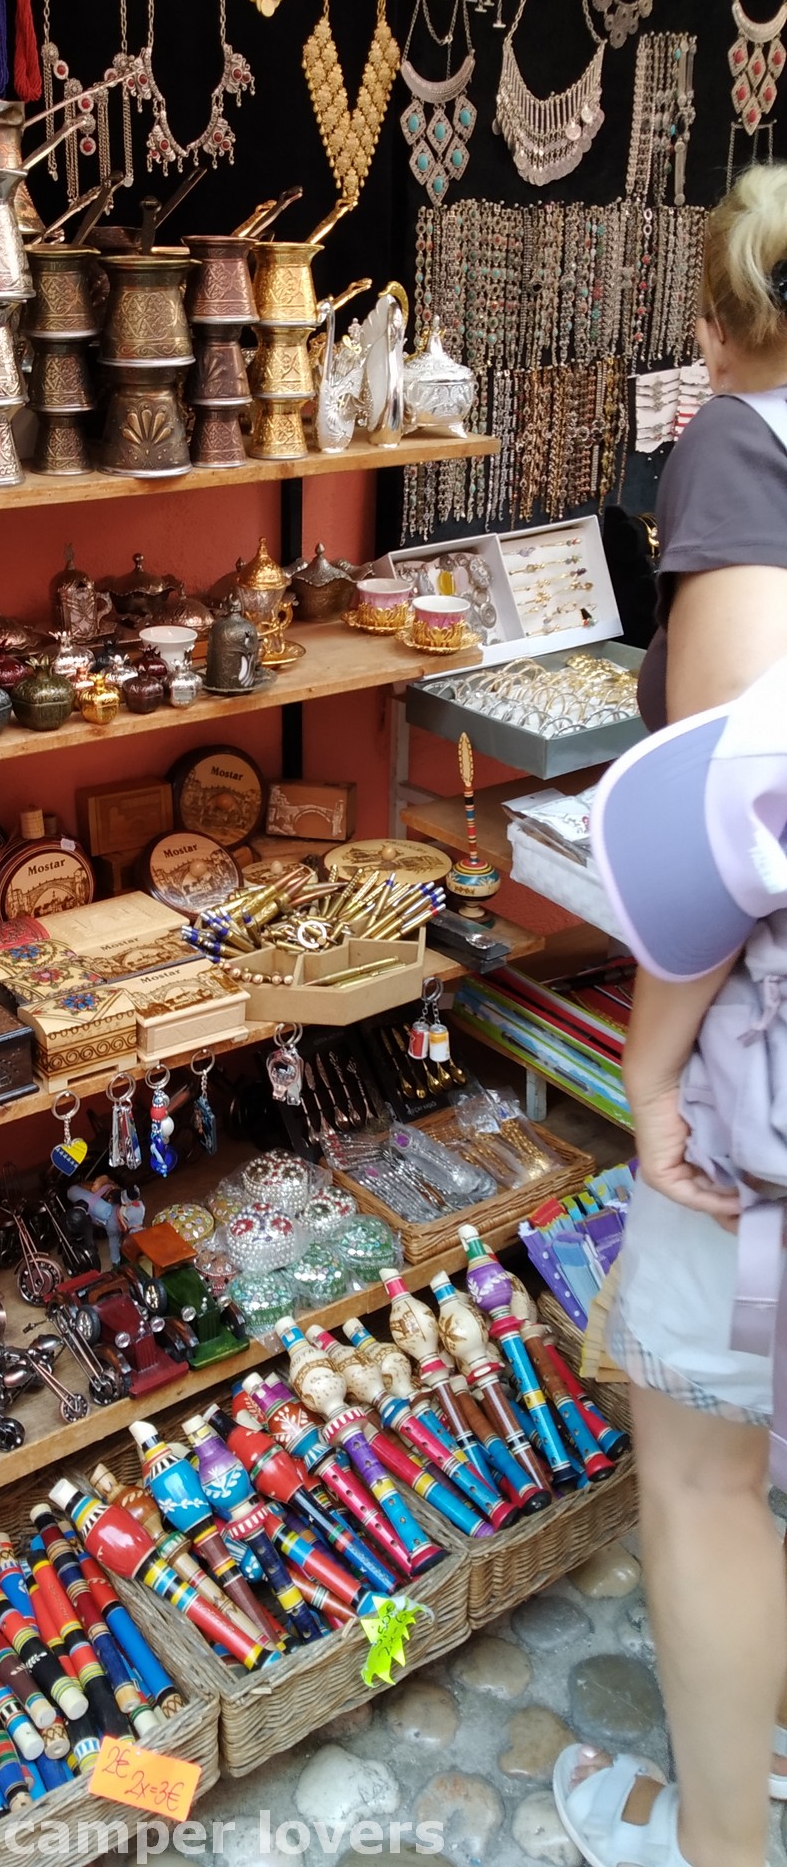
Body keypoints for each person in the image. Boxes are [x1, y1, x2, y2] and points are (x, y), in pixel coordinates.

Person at [552, 163, 787, 1867]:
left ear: (716, 320)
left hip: (764, 1078)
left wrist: (644, 1078)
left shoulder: (740, 446)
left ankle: (715, 1846)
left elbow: (732, 826)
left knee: (705, 1472)